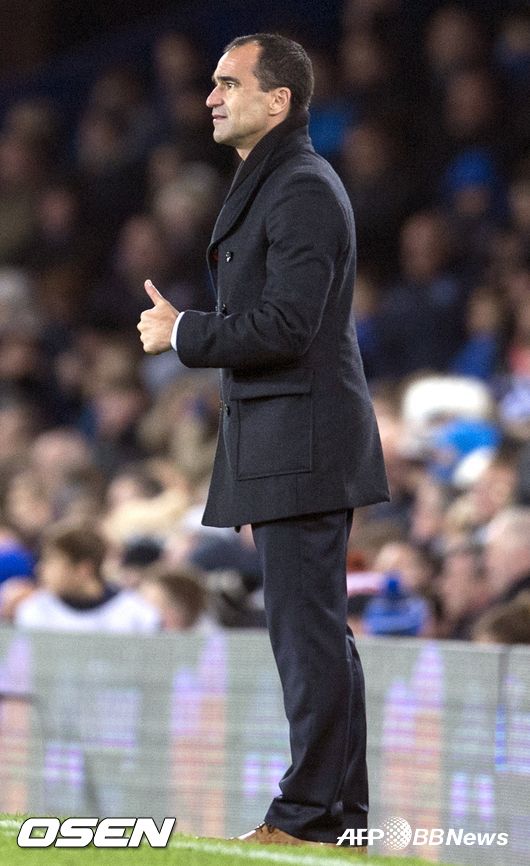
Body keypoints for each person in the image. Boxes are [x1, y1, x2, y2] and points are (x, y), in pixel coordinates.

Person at [138, 32, 389, 847]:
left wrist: (184, 332)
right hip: (287, 443)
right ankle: (339, 818)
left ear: (278, 100)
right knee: (316, 636)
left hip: (303, 444)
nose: (210, 97)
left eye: (228, 83)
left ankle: (307, 816)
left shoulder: (301, 185)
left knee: (307, 638)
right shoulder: (279, 179)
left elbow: (287, 324)